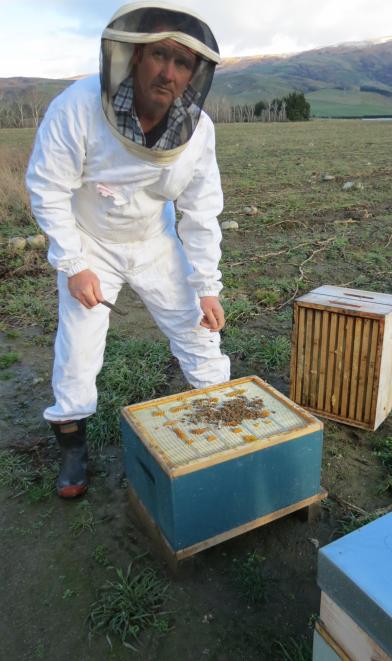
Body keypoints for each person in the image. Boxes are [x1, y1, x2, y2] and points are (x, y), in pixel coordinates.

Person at [26, 2, 230, 498]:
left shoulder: (198, 131)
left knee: (198, 329)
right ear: (134, 57)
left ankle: (225, 419)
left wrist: (206, 287)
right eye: (159, 55)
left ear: (193, 75)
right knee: (79, 346)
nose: (169, 72)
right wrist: (73, 264)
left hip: (154, 240)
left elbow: (201, 212)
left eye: (182, 63)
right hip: (90, 240)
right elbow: (48, 187)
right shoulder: (76, 108)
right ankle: (73, 446)